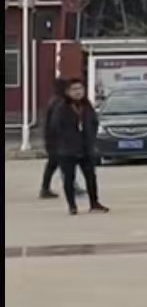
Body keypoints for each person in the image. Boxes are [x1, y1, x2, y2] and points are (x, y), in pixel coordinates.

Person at [45, 79, 108, 216]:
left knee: (91, 177)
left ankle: (94, 203)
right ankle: (72, 205)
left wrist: (92, 140)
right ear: (68, 92)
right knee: (69, 178)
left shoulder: (87, 106)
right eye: (74, 89)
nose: (78, 92)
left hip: (86, 148)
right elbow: (54, 128)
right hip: (67, 149)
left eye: (80, 88)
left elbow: (94, 123)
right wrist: (57, 146)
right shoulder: (61, 108)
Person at [39, 78, 71, 200]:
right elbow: (56, 123)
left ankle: (45, 188)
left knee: (53, 164)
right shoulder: (59, 102)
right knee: (63, 163)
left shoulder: (54, 101)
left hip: (52, 140)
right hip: (57, 141)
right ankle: (70, 186)